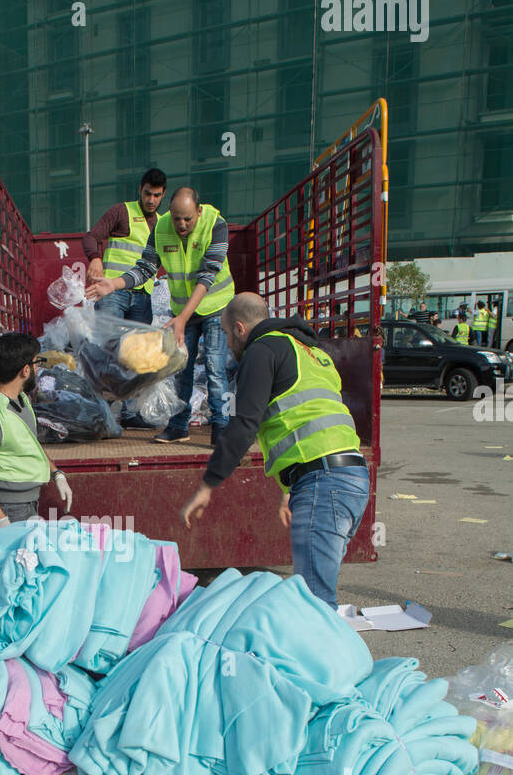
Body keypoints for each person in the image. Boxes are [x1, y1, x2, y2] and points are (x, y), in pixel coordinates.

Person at [180, 292, 369, 609]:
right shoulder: (312, 352)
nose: (227, 343)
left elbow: (244, 425)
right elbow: (305, 421)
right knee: (317, 597)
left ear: (240, 328)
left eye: (227, 334)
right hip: (351, 478)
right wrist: (289, 488)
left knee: (314, 604)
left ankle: (324, 658)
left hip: (323, 483)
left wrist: (206, 486)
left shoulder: (261, 350)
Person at [87, 185, 237, 446]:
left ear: (199, 212)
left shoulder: (215, 224)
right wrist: (114, 284)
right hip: (183, 312)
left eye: (187, 219)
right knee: (180, 368)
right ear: (170, 212)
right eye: (177, 218)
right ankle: (179, 425)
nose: (181, 224)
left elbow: (207, 276)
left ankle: (221, 427)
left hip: (215, 306)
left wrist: (181, 319)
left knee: (214, 366)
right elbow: (145, 268)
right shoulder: (162, 228)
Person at [0, 332, 73, 525]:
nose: (37, 368)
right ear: (25, 370)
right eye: (36, 363)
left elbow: (29, 442)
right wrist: (1, 520)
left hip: (27, 503)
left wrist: (57, 474)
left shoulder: (22, 400)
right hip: (8, 509)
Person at [83, 168, 168, 325]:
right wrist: (95, 258)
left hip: (143, 297)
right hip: (112, 292)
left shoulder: (163, 224)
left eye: (156, 195)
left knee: (137, 347)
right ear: (139, 189)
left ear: (163, 194)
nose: (151, 200)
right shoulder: (121, 212)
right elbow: (92, 236)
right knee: (109, 341)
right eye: (147, 193)